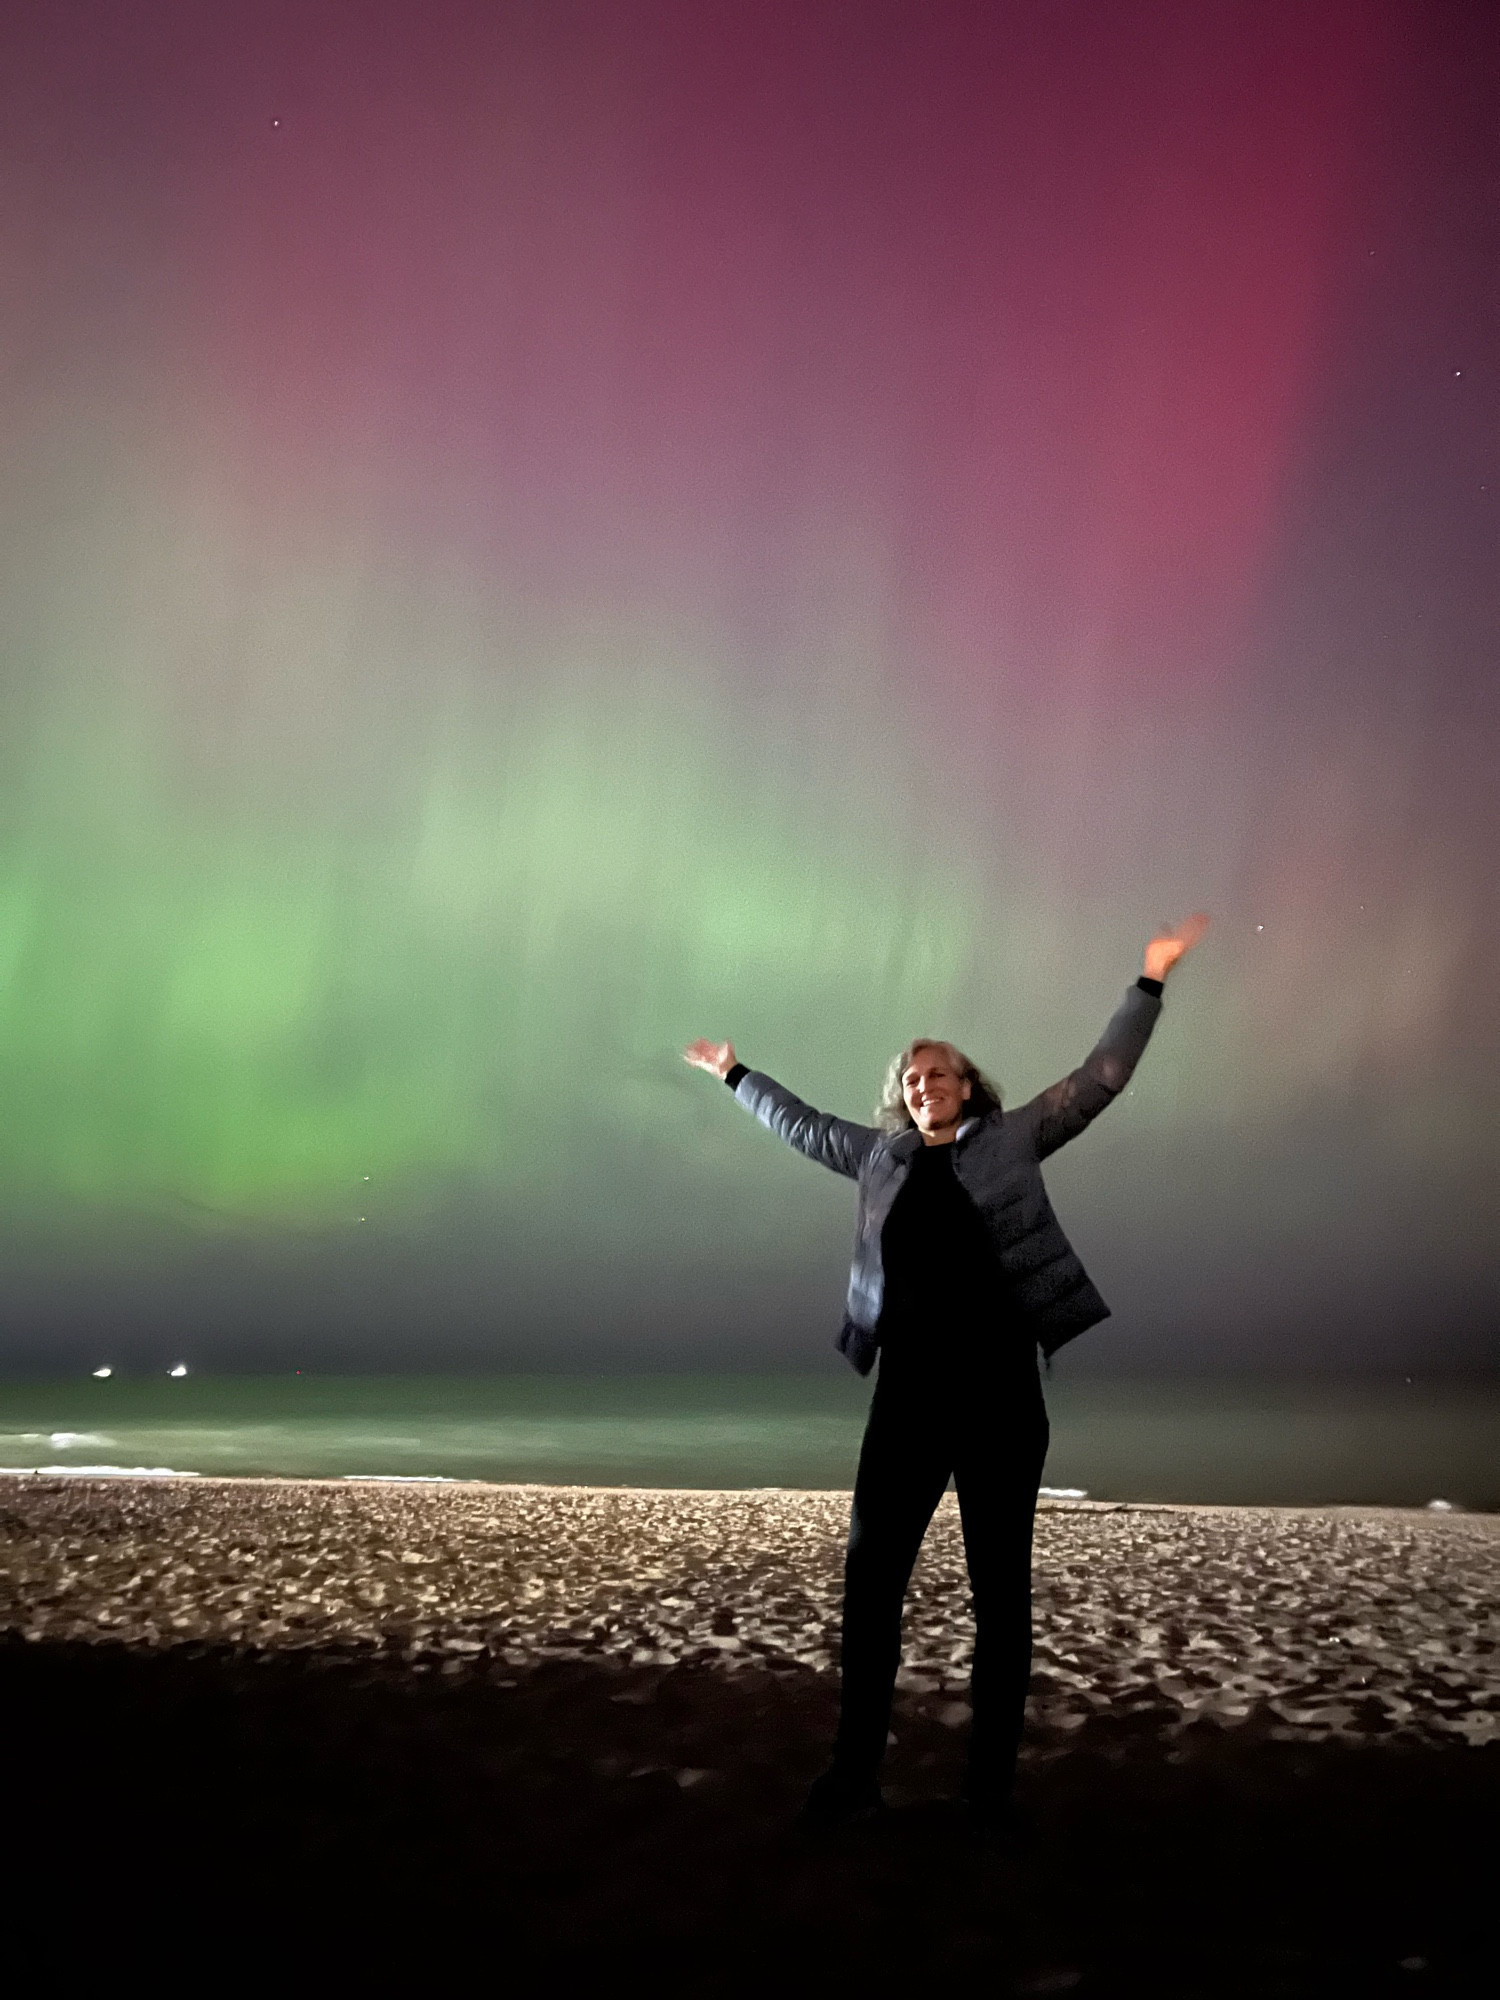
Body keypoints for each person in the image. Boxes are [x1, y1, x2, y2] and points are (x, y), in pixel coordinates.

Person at [682, 914, 1208, 1831]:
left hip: (1002, 1398)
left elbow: (1100, 1079)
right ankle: (853, 1775)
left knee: (999, 1595)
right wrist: (736, 1073)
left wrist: (1148, 983)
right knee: (870, 1581)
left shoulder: (1012, 1138)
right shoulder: (879, 1158)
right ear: (904, 1097)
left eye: (939, 1072)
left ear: (970, 1086)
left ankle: (988, 1793)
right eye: (910, 1078)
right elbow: (803, 1127)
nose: (923, 1085)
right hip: (908, 1400)